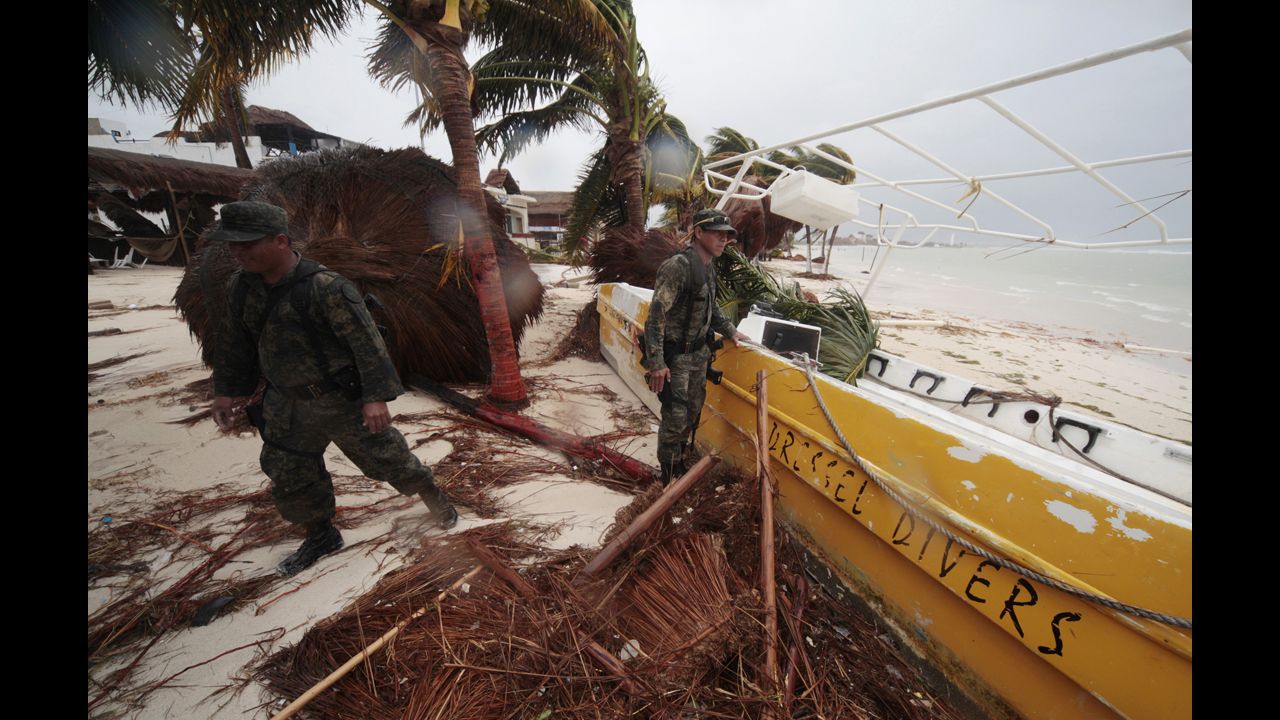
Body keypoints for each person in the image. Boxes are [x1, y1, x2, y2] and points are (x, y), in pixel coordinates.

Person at [208, 201, 457, 576]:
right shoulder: (241, 287)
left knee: (388, 459)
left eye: (247, 244)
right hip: (286, 404)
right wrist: (225, 390)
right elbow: (234, 342)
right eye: (232, 245)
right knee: (290, 473)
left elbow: (368, 344)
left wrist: (374, 398)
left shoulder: (327, 288)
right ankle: (321, 534)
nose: (238, 253)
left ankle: (433, 497)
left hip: (341, 400)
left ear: (280, 241)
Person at [643, 208, 751, 484]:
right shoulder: (677, 267)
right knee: (675, 417)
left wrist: (730, 330)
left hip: (699, 356)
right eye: (716, 233)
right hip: (676, 359)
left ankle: (679, 465)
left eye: (726, 235)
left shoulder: (707, 266)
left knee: (692, 414)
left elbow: (710, 306)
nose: (723, 239)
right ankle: (667, 477)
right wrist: (657, 363)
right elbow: (656, 316)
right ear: (699, 232)